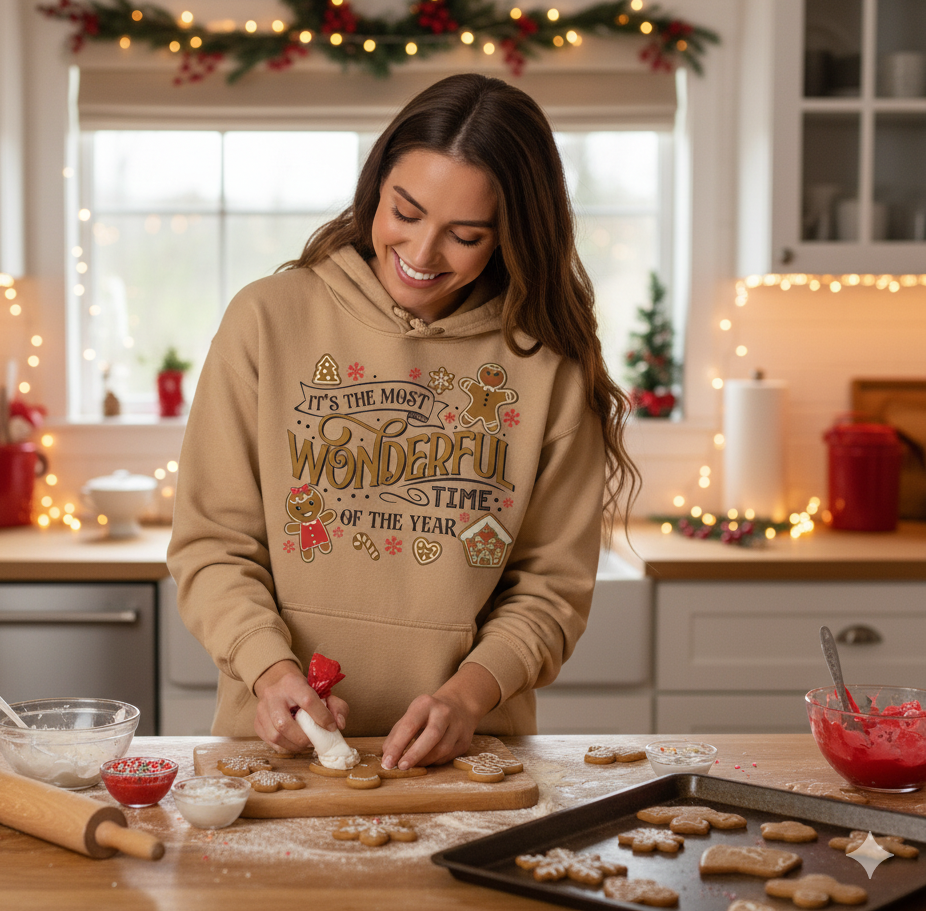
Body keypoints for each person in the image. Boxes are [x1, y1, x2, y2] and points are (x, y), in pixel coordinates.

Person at [167, 72, 638, 771]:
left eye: (465, 235)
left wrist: (468, 698)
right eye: (405, 212)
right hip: (277, 753)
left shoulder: (549, 367)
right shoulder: (266, 320)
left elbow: (551, 590)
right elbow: (213, 545)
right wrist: (268, 669)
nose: (420, 255)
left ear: (511, 235)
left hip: (470, 759)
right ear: (376, 187)